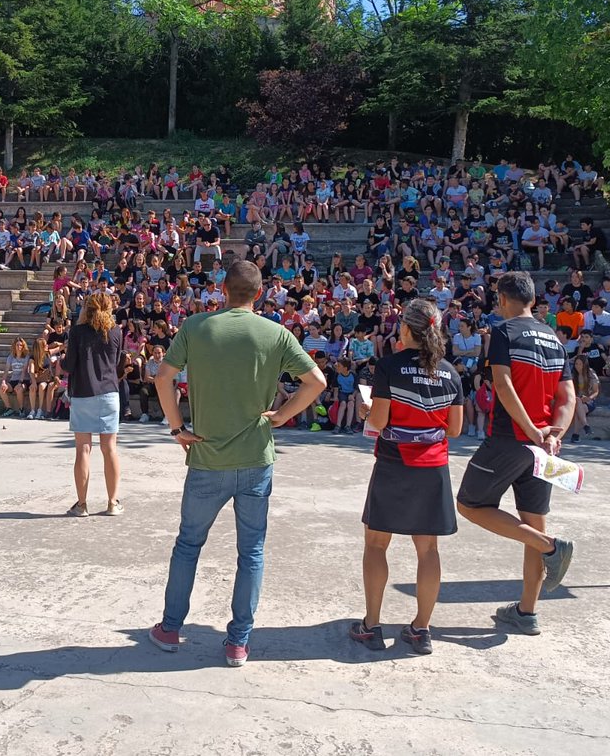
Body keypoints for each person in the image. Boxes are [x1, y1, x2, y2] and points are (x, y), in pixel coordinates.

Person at [148, 260, 326, 668]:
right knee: (252, 551)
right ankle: (238, 642)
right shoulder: (276, 333)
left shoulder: (196, 327)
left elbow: (163, 378)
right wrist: (283, 415)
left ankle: (171, 628)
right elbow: (317, 382)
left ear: (221, 289)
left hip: (207, 458)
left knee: (188, 545)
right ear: (259, 294)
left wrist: (178, 428)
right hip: (255, 459)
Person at [456, 272, 576, 637]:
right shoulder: (554, 339)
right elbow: (568, 397)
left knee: (469, 504)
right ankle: (527, 612)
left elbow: (504, 385)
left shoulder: (505, 333)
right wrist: (554, 433)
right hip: (547, 450)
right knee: (532, 524)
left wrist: (531, 430)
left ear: (504, 299)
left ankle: (551, 548)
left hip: (510, 439)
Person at [351, 299, 463, 655]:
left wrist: (367, 411)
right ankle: (420, 629)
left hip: (393, 463)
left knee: (376, 544)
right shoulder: (451, 372)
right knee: (428, 549)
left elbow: (379, 423)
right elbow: (456, 429)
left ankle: (371, 625)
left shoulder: (388, 367)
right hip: (433, 468)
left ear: (405, 329)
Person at [60, 292, 124, 517]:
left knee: (83, 450)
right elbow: (116, 362)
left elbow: (69, 365)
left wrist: (60, 360)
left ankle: (82, 504)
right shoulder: (116, 331)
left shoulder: (77, 332)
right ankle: (113, 503)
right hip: (109, 393)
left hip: (83, 393)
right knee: (110, 449)